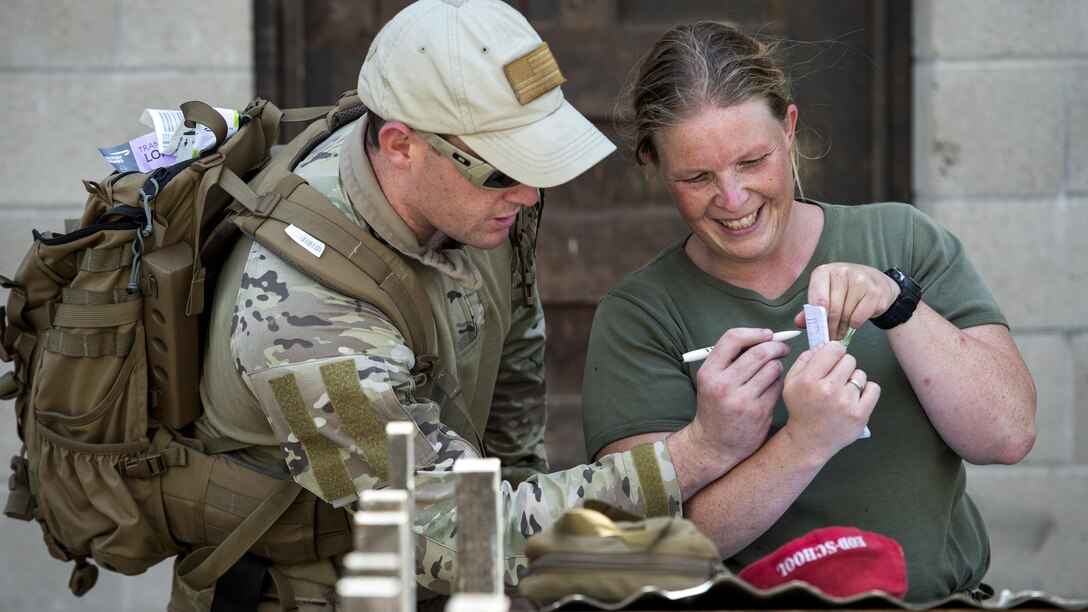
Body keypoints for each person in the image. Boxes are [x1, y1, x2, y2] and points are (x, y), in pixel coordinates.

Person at [174, 2, 771, 610]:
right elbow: (448, 540)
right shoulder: (303, 315)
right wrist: (698, 453)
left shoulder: (476, 196)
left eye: (536, 158)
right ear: (400, 144)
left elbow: (511, 357)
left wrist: (523, 514)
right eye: (503, 168)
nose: (530, 192)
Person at [581, 20, 1037, 604]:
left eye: (752, 161)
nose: (733, 198)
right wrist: (805, 442)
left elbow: (1008, 434)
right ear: (657, 168)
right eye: (697, 177)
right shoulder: (640, 315)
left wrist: (900, 307)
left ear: (790, 129)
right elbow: (645, 547)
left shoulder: (899, 238)